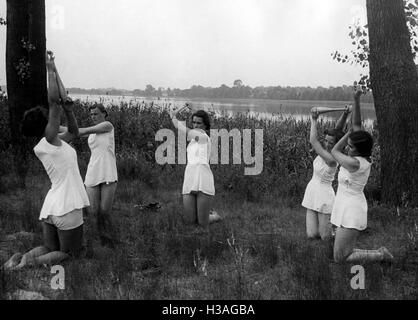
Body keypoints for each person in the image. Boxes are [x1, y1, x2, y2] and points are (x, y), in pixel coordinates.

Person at [3, 51, 89, 270]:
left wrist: (69, 110)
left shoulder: (47, 144)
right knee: (70, 254)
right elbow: (54, 102)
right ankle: (22, 267)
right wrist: (50, 68)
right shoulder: (51, 139)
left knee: (49, 248)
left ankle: (20, 259)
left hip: (52, 207)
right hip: (67, 206)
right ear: (46, 125)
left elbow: (74, 131)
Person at [330, 89, 394, 263]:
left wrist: (348, 134)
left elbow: (334, 150)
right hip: (344, 204)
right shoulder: (362, 155)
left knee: (339, 258)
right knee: (341, 253)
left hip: (352, 208)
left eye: (350, 147)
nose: (348, 149)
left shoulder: (354, 163)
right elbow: (357, 124)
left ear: (358, 149)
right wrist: (356, 99)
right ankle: (377, 252)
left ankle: (381, 256)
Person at [302, 107, 351, 240]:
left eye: (331, 142)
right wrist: (345, 113)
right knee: (312, 235)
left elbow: (313, 141)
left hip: (324, 195)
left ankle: (340, 230)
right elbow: (338, 130)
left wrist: (313, 120)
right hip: (312, 190)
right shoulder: (326, 151)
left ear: (337, 145)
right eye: (326, 141)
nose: (327, 144)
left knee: (326, 238)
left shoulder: (332, 159)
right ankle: (334, 226)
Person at [169, 105, 220, 231]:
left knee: (203, 224)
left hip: (203, 178)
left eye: (199, 123)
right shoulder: (193, 140)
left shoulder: (203, 137)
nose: (196, 125)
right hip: (190, 176)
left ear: (205, 126)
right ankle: (206, 212)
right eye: (194, 122)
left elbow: (181, 128)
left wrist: (173, 118)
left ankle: (215, 216)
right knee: (191, 222)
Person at [77, 104, 118, 248]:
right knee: (91, 212)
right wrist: (54, 129)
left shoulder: (108, 126)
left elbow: (81, 131)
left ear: (104, 113)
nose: (93, 117)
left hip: (108, 171)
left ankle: (109, 242)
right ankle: (91, 243)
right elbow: (76, 132)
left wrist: (76, 131)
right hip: (93, 171)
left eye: (96, 114)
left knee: (104, 212)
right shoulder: (93, 132)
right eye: (91, 115)